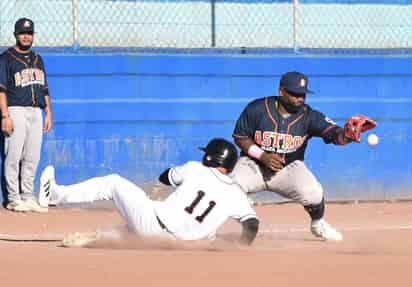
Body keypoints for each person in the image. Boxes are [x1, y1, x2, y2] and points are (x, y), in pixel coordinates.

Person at [231, 71, 376, 241]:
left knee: (314, 193)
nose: (300, 98)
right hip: (254, 165)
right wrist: (263, 155)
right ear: (281, 91)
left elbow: (333, 134)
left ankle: (318, 224)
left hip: (288, 169)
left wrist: (347, 135)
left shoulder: (309, 116)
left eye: (303, 94)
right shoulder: (257, 108)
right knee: (229, 186)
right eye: (294, 94)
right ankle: (241, 219)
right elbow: (240, 137)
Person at [38, 138, 259, 246]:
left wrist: (156, 189)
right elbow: (252, 225)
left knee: (113, 183)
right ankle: (95, 239)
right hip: (180, 246)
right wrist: (241, 248)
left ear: (210, 158)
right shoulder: (236, 193)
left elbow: (166, 176)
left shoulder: (196, 169)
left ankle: (55, 196)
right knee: (208, 233)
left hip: (154, 225)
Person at [0, 18, 52, 212]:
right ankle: (13, 198)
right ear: (15, 34)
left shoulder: (39, 59)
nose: (26, 36)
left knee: (32, 156)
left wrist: (48, 112)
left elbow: (45, 89)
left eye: (29, 33)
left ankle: (28, 196)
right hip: (16, 110)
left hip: (36, 112)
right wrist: (5, 116)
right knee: (13, 155)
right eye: (22, 32)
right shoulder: (6, 58)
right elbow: (1, 90)